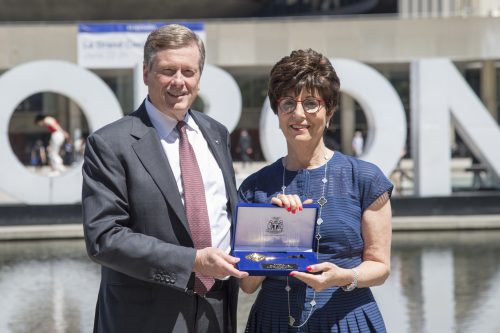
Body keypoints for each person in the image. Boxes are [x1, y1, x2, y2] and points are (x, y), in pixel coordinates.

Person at [82, 24, 248, 333]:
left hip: (216, 309)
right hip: (145, 316)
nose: (179, 82)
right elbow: (104, 238)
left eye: (189, 71)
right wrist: (192, 261)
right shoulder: (110, 144)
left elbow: (226, 214)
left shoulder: (216, 133)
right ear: (145, 73)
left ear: (200, 76)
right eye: (167, 70)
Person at [238, 49, 393, 332]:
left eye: (311, 103)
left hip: (347, 321)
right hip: (274, 323)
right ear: (277, 111)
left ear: (329, 110)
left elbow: (380, 267)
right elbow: (247, 285)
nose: (299, 114)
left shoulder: (366, 179)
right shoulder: (254, 187)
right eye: (287, 103)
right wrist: (274, 233)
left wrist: (343, 276)